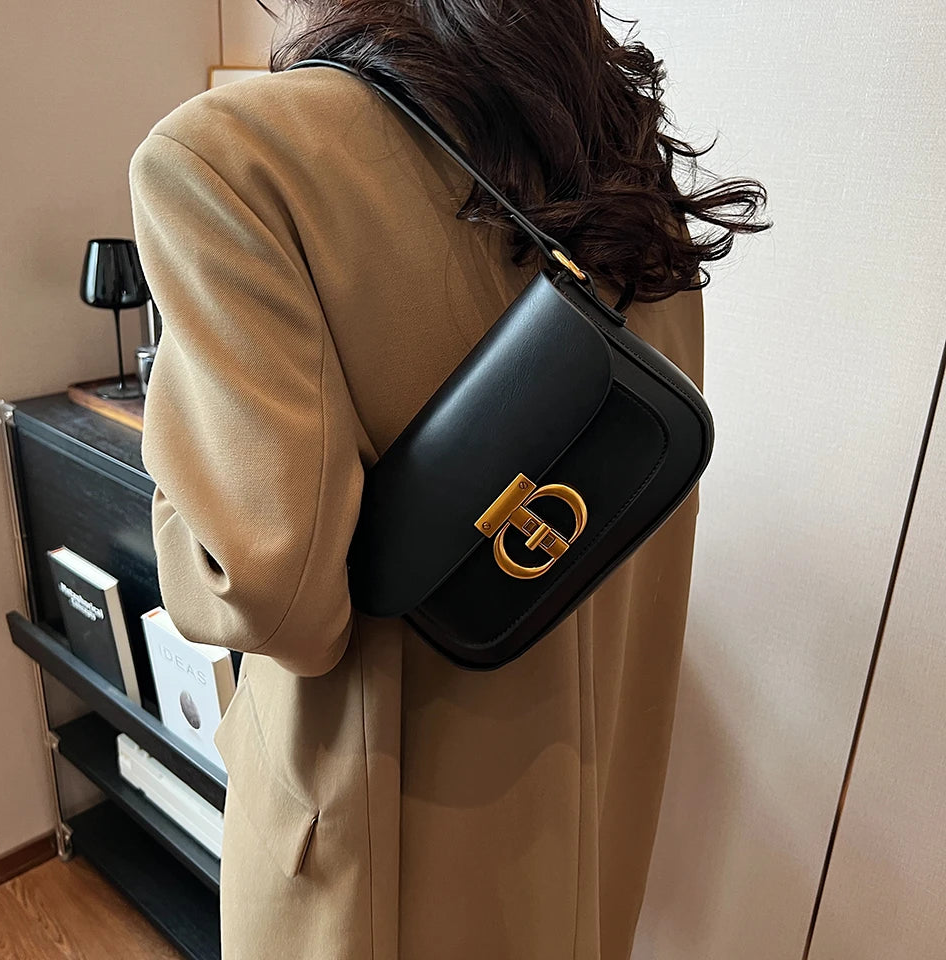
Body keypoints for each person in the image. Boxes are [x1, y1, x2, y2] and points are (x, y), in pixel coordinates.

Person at [128, 2, 768, 957]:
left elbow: (269, 592)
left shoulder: (233, 159)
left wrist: (177, 500)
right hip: (587, 811)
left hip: (381, 856)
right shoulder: (632, 168)